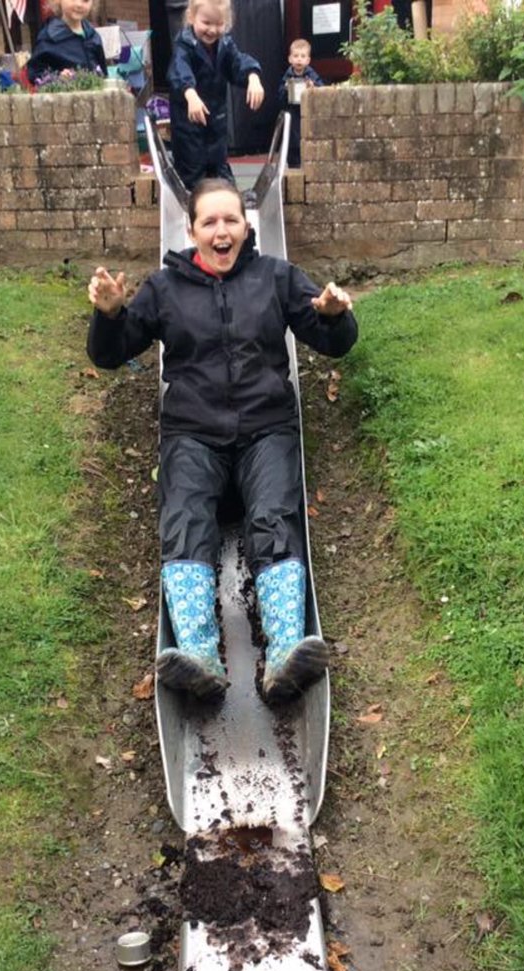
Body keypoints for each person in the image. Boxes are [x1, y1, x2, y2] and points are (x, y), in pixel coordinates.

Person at [86, 179, 357, 704]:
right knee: (186, 515)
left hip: (266, 430)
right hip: (194, 434)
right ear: (191, 231)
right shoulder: (165, 289)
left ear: (246, 226)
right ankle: (198, 654)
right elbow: (110, 354)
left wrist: (334, 317)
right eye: (209, 222)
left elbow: (332, 343)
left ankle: (284, 652)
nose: (221, 230)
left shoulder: (276, 279)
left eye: (230, 220)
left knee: (274, 516)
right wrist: (111, 314)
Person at [166, 0, 265, 191]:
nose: (212, 30)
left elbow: (238, 63)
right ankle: (195, 213)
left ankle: (229, 208)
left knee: (221, 171)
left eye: (219, 24)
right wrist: (190, 93)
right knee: (192, 174)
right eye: (206, 23)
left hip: (216, 124)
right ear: (191, 18)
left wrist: (253, 76)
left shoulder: (225, 45)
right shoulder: (184, 44)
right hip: (189, 127)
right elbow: (179, 70)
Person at [26, 0, 107, 86]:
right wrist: (57, 78)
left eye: (85, 0)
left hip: (95, 96)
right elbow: (35, 74)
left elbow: (103, 73)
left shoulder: (93, 36)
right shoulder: (49, 38)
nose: (79, 4)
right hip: (63, 97)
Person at [277, 38, 324, 169]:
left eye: (302, 56)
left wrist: (313, 87)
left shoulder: (311, 75)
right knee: (293, 146)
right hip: (292, 116)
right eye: (296, 56)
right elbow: (279, 99)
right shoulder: (287, 76)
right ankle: (293, 165)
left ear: (308, 60)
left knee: (308, 143)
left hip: (307, 115)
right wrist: (286, 89)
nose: (299, 59)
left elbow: (322, 91)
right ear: (290, 59)